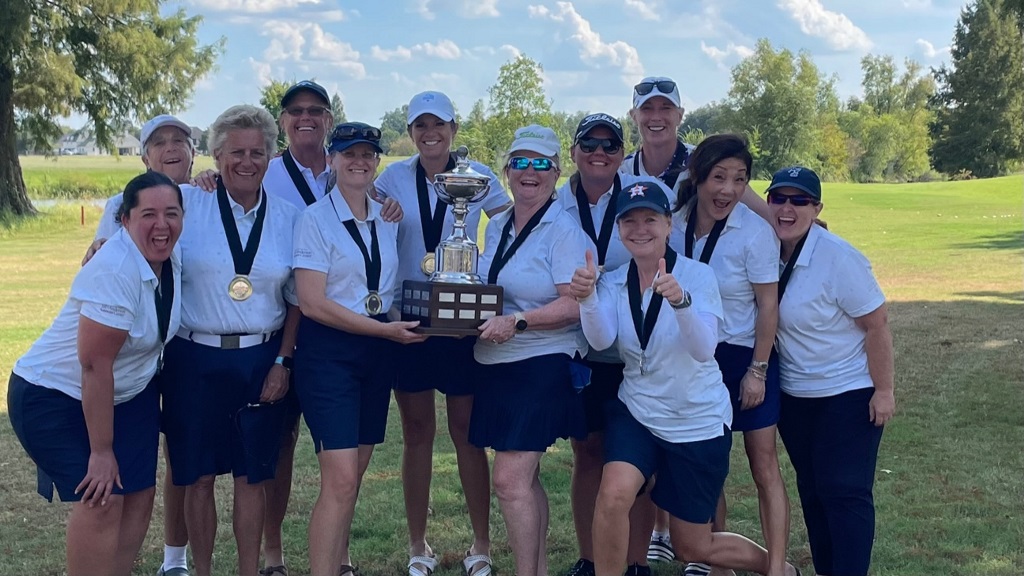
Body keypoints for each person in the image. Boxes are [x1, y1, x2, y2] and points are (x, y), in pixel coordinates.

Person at [570, 180, 801, 576]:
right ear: (620, 229)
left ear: (667, 225)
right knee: (613, 496)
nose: (640, 229)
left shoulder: (697, 276)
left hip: (696, 419)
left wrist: (680, 303)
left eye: (650, 220)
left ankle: (776, 567)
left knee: (691, 545)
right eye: (630, 221)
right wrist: (588, 299)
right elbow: (602, 339)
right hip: (638, 411)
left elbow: (704, 348)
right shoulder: (611, 281)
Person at [9, 171, 183, 576]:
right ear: (124, 219)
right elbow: (94, 364)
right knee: (103, 499)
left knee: (139, 494)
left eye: (172, 213)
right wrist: (101, 452)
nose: (162, 225)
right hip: (54, 394)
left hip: (129, 393)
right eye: (148, 214)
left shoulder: (172, 254)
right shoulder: (115, 267)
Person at [626, 77, 770, 564]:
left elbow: (738, 193)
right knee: (672, 448)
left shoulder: (702, 162)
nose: (657, 116)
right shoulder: (678, 201)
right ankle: (674, 539)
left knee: (710, 457)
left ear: (680, 115)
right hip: (670, 340)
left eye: (666, 108)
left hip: (725, 344)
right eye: (648, 109)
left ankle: (707, 556)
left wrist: (784, 218)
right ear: (636, 116)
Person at [159, 104, 302, 576]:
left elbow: (297, 299)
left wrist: (283, 361)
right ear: (217, 157)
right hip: (192, 358)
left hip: (261, 359)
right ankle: (201, 570)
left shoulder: (287, 218)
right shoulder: (186, 201)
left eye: (257, 152)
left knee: (252, 478)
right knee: (197, 478)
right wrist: (101, 241)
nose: (247, 161)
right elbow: (130, 215)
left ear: (270, 156)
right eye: (235, 152)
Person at [373, 91, 511, 576]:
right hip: (409, 318)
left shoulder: (478, 178)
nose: (429, 133)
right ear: (411, 132)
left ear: (454, 128)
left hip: (459, 322)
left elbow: (513, 222)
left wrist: (490, 273)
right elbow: (347, 196)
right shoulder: (391, 176)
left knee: (467, 434)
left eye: (438, 124)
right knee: (416, 433)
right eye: (419, 126)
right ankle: (417, 545)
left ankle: (481, 544)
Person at [292, 122, 426, 576]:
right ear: (331, 159)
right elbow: (312, 302)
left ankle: (338, 563)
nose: (359, 161)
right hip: (330, 354)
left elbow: (382, 292)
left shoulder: (387, 217)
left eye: (368, 154)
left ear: (377, 163)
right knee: (341, 479)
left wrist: (400, 327)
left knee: (356, 472)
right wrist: (385, 332)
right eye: (349, 153)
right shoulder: (314, 220)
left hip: (377, 353)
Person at [667, 135, 790, 576]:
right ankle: (718, 565)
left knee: (763, 464)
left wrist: (757, 371)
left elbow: (768, 306)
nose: (728, 190)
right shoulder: (674, 223)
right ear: (697, 176)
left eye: (739, 180)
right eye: (719, 177)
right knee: (710, 461)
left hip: (745, 355)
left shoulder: (754, 233)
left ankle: (777, 567)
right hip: (697, 356)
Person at [470, 125, 589, 576]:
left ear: (557, 172)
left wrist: (518, 321)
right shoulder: (496, 224)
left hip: (542, 361)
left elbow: (574, 304)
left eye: (542, 163)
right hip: (495, 363)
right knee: (526, 479)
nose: (530, 172)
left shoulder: (563, 229)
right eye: (520, 162)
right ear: (506, 171)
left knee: (509, 479)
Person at [766, 166, 895, 576]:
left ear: (816, 207)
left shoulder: (838, 256)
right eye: (778, 199)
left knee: (845, 492)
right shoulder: (766, 247)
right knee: (814, 491)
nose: (787, 209)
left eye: (799, 200)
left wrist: (884, 390)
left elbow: (877, 324)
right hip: (795, 397)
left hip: (848, 392)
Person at [557, 113, 662, 576]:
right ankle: (590, 556)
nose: (599, 152)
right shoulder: (557, 201)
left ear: (623, 152)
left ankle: (635, 560)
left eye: (610, 144)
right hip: (580, 348)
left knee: (636, 459)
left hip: (636, 353)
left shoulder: (641, 195)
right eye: (589, 144)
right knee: (588, 452)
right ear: (574, 151)